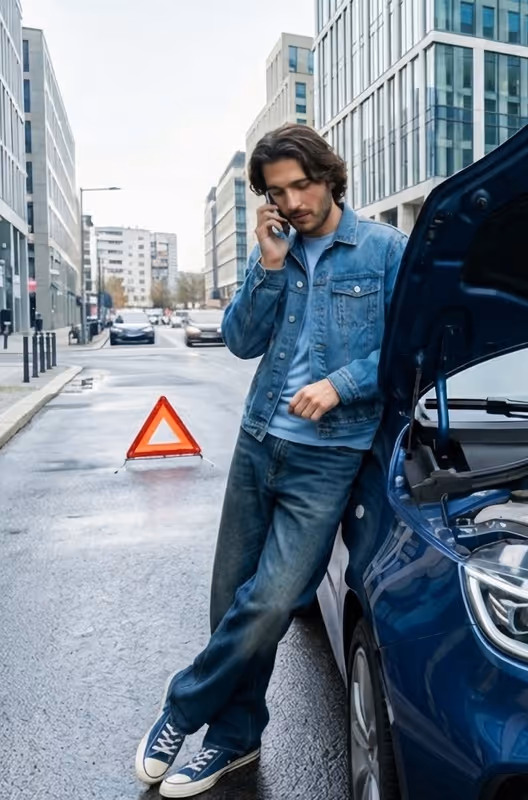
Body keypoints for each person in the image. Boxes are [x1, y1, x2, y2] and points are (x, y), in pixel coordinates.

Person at [133, 123, 407, 798]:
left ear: (328, 176)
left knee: (271, 603)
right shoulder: (275, 249)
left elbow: (408, 350)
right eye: (279, 192)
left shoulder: (383, 252)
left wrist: (341, 385)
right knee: (230, 600)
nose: (294, 201)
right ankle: (233, 741)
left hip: (329, 457)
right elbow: (239, 340)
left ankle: (182, 708)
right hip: (259, 444)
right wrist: (270, 264)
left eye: (303, 185)